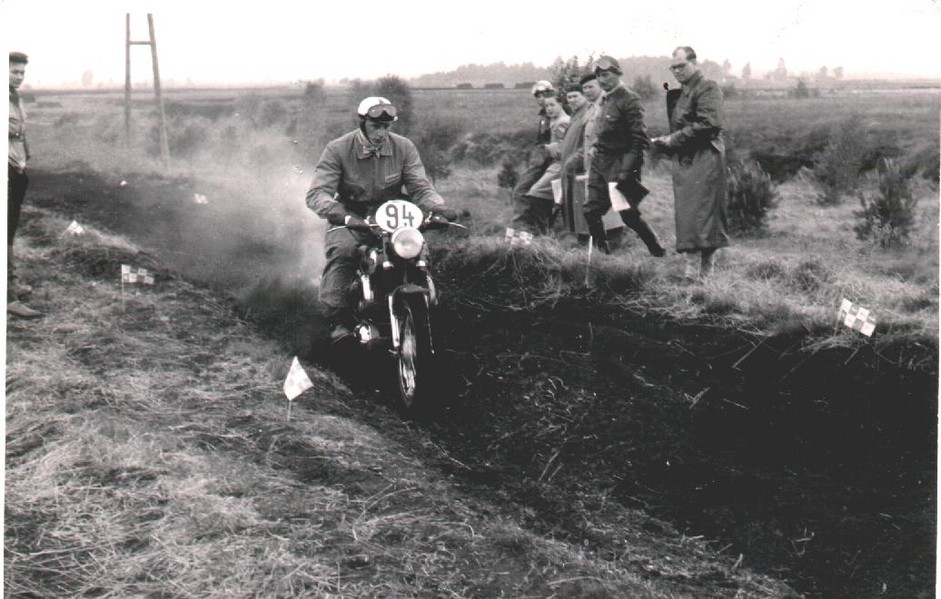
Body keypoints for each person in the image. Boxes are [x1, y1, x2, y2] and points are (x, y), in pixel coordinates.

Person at [305, 97, 458, 341]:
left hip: (393, 214)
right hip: (353, 217)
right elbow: (317, 194)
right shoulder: (338, 148)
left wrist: (439, 208)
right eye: (376, 126)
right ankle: (339, 319)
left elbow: (420, 187)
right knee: (343, 252)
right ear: (363, 123)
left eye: (386, 127)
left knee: (418, 251)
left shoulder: (404, 147)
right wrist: (342, 215)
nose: (381, 133)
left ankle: (428, 304)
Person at [652, 46, 730, 279]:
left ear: (694, 63)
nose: (677, 71)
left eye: (681, 66)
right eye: (673, 68)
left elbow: (710, 124)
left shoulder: (707, 88)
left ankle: (703, 275)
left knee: (703, 215)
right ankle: (692, 273)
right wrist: (668, 141)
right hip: (686, 160)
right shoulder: (683, 92)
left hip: (705, 158)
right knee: (689, 216)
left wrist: (673, 139)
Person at [586, 56, 665, 256]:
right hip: (600, 162)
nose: (601, 80)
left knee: (628, 214)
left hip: (619, 164)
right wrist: (596, 144)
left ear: (618, 74)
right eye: (598, 76)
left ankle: (657, 251)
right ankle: (602, 256)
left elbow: (639, 138)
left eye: (605, 75)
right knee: (591, 211)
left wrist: (625, 171)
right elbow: (606, 130)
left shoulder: (629, 99)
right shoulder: (604, 100)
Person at [8, 51, 42, 319]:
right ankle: (7, 297)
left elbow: (20, 134)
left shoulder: (14, 97)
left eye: (21, 72)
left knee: (9, 230)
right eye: (14, 71)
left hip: (17, 168)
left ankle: (10, 283)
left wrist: (24, 159)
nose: (19, 76)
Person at [514, 93, 570, 234]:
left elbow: (566, 147)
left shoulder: (562, 122)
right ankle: (544, 231)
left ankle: (542, 232)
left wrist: (547, 149)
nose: (549, 109)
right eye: (546, 106)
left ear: (561, 105)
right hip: (555, 164)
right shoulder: (554, 121)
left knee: (536, 194)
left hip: (560, 165)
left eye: (552, 105)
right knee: (543, 197)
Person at [510, 80, 555, 231]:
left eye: (546, 94)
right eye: (538, 96)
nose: (542, 99)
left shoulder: (556, 114)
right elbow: (539, 141)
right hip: (541, 161)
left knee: (522, 192)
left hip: (550, 161)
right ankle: (527, 230)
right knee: (527, 193)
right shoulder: (544, 116)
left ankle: (522, 228)